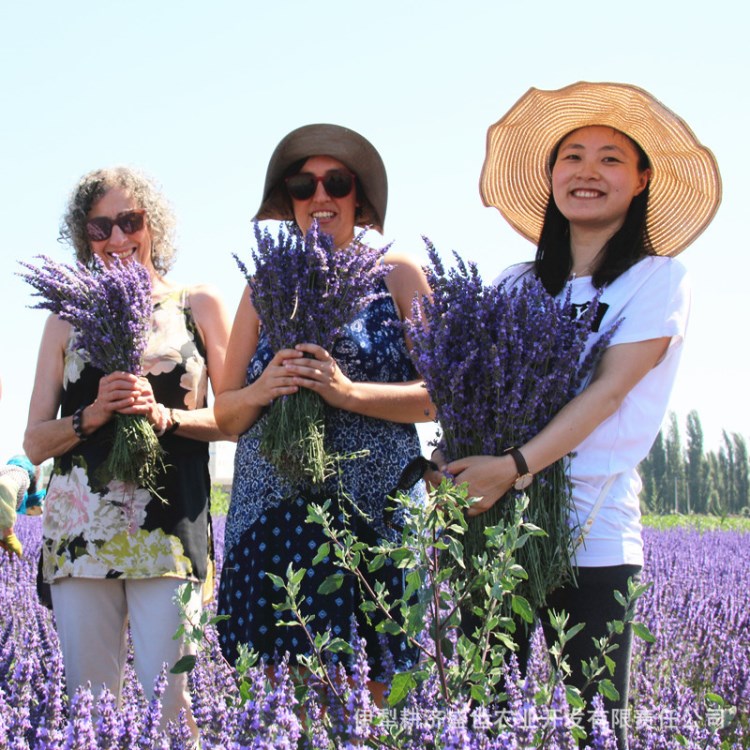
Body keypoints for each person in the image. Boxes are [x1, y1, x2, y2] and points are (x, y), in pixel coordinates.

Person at [430, 82, 721, 748]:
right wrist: (451, 470)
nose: (588, 171)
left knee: (595, 726)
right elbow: (466, 399)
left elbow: (611, 391)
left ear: (642, 178)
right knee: (481, 720)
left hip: (593, 533)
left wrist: (516, 466)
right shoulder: (511, 285)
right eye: (572, 157)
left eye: (611, 158)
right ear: (550, 177)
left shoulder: (657, 279)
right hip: (494, 531)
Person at [214, 124, 434, 703]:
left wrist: (347, 392)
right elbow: (226, 413)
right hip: (272, 517)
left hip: (376, 516)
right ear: (288, 200)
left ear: (357, 196)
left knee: (381, 703)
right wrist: (265, 388)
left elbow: (443, 394)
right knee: (278, 713)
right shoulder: (265, 283)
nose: (320, 197)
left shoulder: (400, 274)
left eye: (336, 182)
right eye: (303, 185)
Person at [23, 166, 231, 736]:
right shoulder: (65, 318)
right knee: (90, 715)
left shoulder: (199, 303)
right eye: (100, 227)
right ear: (83, 235)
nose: (117, 239)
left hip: (170, 533)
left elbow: (235, 416)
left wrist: (167, 416)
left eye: (130, 222)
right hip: (81, 536)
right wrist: (90, 415)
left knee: (174, 712)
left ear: (153, 226)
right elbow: (34, 440)